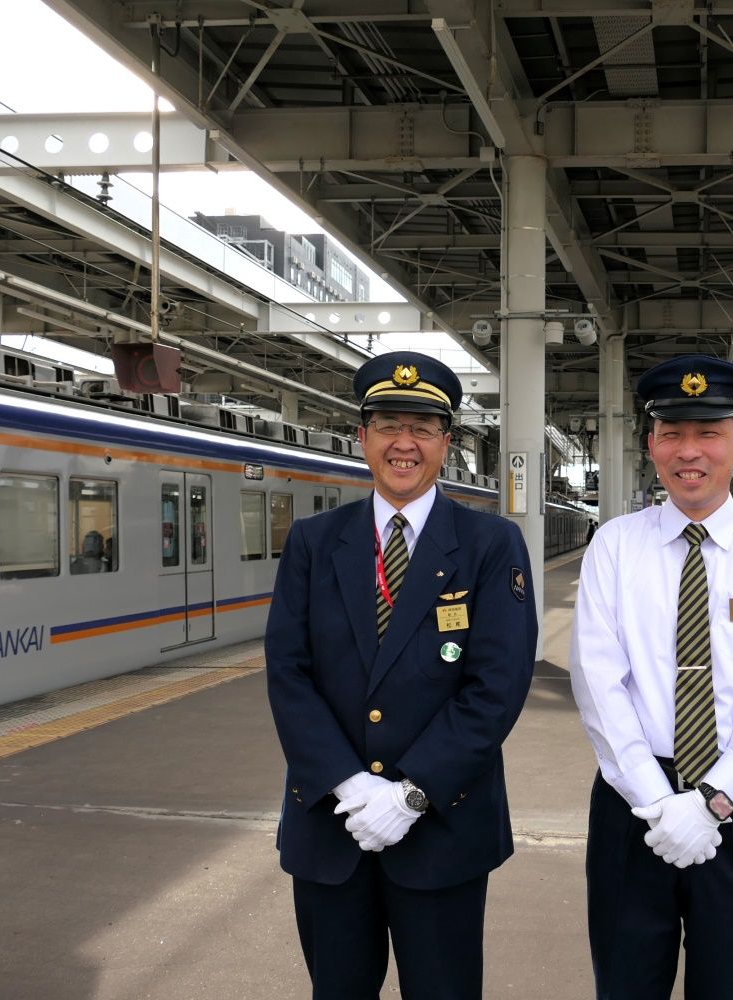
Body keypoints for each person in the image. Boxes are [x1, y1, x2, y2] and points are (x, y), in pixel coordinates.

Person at [265, 350, 538, 1000]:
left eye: (422, 427)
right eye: (388, 425)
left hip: (443, 828)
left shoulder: (489, 544)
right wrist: (351, 784)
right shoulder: (313, 541)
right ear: (363, 438)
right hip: (333, 825)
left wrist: (411, 793)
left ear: (447, 442)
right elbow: (288, 673)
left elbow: (496, 687)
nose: (404, 443)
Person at [569, 354, 733, 1000]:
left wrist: (713, 799)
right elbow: (599, 685)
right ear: (651, 444)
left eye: (708, 433)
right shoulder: (613, 548)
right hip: (633, 811)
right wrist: (659, 804)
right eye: (673, 433)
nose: (690, 451)